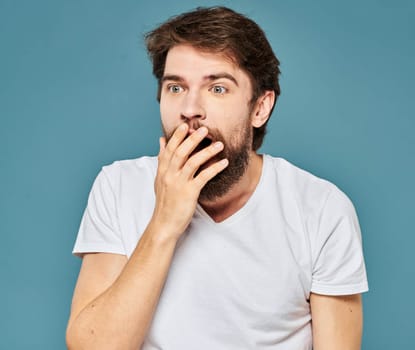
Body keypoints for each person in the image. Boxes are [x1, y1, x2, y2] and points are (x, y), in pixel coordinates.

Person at [66, 6, 368, 350]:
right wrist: (163, 224)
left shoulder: (322, 209)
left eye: (218, 88)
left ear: (260, 108)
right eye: (176, 88)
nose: (190, 109)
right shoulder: (117, 186)